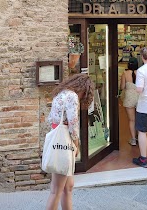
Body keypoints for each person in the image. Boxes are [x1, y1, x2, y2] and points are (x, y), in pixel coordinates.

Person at [45, 73, 95, 210]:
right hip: (65, 142)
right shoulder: (72, 96)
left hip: (59, 140)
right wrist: (76, 144)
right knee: (56, 190)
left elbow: (51, 119)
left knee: (68, 186)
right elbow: (73, 124)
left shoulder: (61, 93)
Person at [119, 57, 139, 146]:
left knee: (132, 120)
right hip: (139, 97)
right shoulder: (140, 73)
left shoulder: (125, 73)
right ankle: (140, 136)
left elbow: (122, 87)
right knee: (139, 119)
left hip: (129, 97)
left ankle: (133, 139)